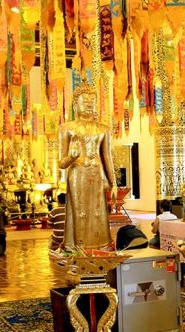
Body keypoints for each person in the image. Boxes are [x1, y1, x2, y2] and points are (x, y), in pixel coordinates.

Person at [58, 82, 117, 249]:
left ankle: (101, 245)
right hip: (78, 174)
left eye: (92, 102)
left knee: (99, 213)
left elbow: (107, 157)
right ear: (75, 104)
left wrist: (113, 183)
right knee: (80, 213)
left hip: (97, 173)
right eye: (85, 101)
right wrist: (71, 157)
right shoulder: (66, 128)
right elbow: (61, 163)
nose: (89, 105)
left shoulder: (103, 129)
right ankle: (79, 247)